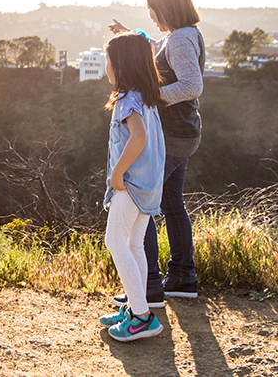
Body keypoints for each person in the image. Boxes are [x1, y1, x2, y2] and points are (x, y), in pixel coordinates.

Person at [109, 0, 205, 308]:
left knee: (143, 202)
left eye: (152, 10)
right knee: (171, 203)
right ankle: (182, 277)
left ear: (165, 7)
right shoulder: (183, 35)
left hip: (174, 135)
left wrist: (151, 98)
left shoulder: (179, 40)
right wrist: (129, 34)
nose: (151, 16)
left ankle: (148, 284)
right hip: (182, 132)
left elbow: (192, 85)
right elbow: (158, 51)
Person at [98, 32, 167, 342]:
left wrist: (117, 173)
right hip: (149, 185)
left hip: (131, 185)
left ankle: (141, 317)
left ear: (120, 64)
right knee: (134, 245)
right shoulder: (145, 96)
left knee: (115, 242)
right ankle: (136, 307)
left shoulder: (127, 99)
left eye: (107, 59)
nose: (105, 64)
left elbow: (138, 138)